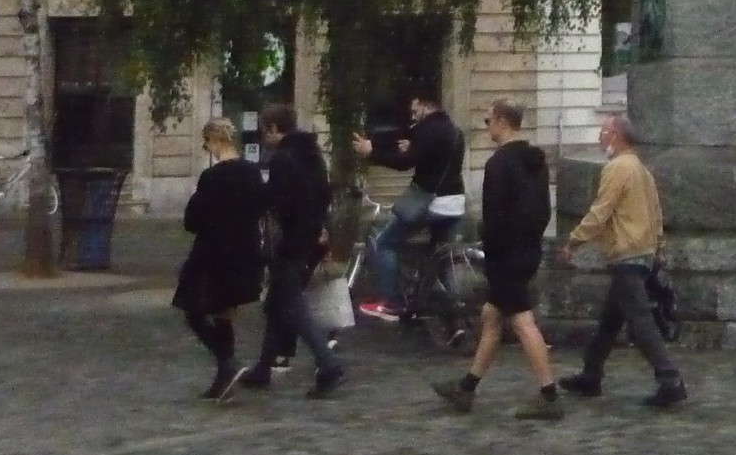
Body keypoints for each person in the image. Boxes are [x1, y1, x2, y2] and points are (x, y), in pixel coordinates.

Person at [433, 99, 563, 420]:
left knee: (522, 321)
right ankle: (466, 388)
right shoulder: (537, 162)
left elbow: (494, 219)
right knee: (492, 317)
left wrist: (493, 251)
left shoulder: (499, 164)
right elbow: (543, 211)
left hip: (506, 256)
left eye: (488, 119)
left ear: (503, 121)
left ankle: (550, 396)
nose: (485, 124)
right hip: (528, 250)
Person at [553, 114, 686, 408]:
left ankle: (670, 380)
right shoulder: (642, 170)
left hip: (626, 255)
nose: (600, 137)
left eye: (603, 131)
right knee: (610, 322)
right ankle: (591, 374)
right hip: (642, 254)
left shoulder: (617, 168)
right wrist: (657, 249)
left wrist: (573, 241)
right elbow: (656, 215)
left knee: (641, 322)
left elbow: (600, 212)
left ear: (616, 136)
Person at [229, 105, 344, 399]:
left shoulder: (282, 158)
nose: (264, 137)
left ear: (272, 129)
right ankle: (263, 368)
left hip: (290, 242)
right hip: (310, 239)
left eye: (265, 130)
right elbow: (324, 194)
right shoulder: (312, 154)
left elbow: (278, 202)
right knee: (276, 306)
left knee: (291, 304)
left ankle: (328, 364)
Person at [172, 119, 267, 399]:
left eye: (207, 144)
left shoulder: (212, 177)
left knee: (191, 308)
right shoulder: (252, 173)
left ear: (214, 141)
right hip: (245, 251)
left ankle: (227, 362)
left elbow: (193, 220)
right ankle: (224, 376)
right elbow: (260, 207)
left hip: (214, 252)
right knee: (225, 311)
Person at [351, 90, 466, 321]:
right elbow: (425, 153)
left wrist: (371, 152)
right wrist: (408, 148)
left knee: (384, 242)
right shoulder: (454, 130)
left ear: (427, 106)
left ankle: (391, 303)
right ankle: (457, 314)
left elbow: (405, 164)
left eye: (416, 111)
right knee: (441, 257)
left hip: (432, 203)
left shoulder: (429, 129)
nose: (414, 116)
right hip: (455, 203)